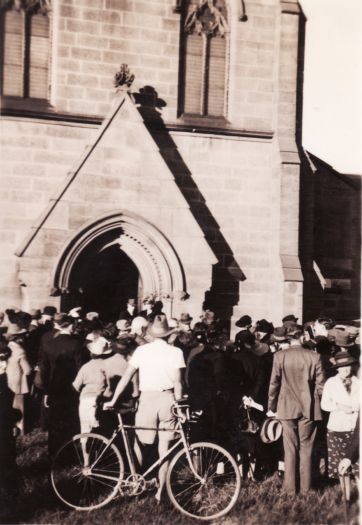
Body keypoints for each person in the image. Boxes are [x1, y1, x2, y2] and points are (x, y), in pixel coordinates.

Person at [104, 314, 185, 502]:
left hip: (147, 399)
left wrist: (114, 400)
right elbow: (178, 382)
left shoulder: (142, 351)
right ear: (168, 334)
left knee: (140, 443)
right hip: (168, 398)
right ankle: (161, 492)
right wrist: (180, 405)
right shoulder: (176, 352)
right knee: (165, 449)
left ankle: (135, 482)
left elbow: (126, 377)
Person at [268, 329, 325, 494]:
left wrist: (271, 406)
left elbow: (274, 384)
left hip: (286, 407)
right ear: (302, 337)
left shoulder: (279, 356)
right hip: (309, 407)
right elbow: (321, 386)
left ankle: (290, 489)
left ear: (288, 338)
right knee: (306, 448)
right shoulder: (314, 356)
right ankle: (306, 489)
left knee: (290, 449)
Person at [39, 314, 82, 457]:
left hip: (53, 385)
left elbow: (44, 368)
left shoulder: (48, 342)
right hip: (71, 386)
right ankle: (68, 453)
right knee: (70, 419)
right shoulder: (76, 343)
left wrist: (46, 391)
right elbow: (80, 367)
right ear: (70, 325)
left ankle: (54, 452)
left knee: (55, 420)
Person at [321, 351, 359, 481]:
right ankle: (343, 488)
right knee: (339, 462)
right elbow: (324, 405)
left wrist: (354, 408)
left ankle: (356, 484)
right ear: (337, 368)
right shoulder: (331, 383)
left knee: (356, 460)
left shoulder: (358, 383)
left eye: (348, 366)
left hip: (355, 427)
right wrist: (338, 407)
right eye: (342, 367)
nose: (345, 369)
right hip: (337, 427)